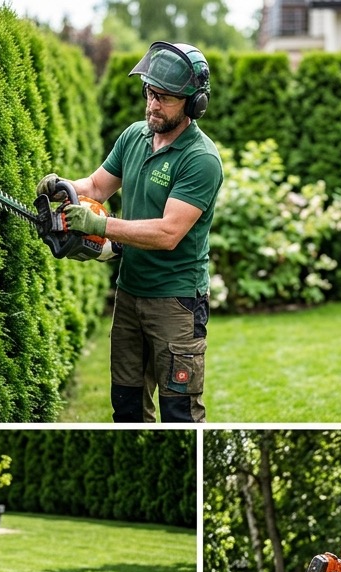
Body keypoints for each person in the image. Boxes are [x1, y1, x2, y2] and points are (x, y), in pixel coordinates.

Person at [37, 41, 224, 423]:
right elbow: (97, 185)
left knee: (179, 412)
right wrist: (64, 187)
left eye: (166, 98)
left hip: (176, 302)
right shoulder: (134, 136)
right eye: (150, 93)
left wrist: (100, 225)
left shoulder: (200, 159)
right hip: (130, 294)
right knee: (126, 407)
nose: (153, 105)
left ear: (193, 104)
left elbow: (168, 232)